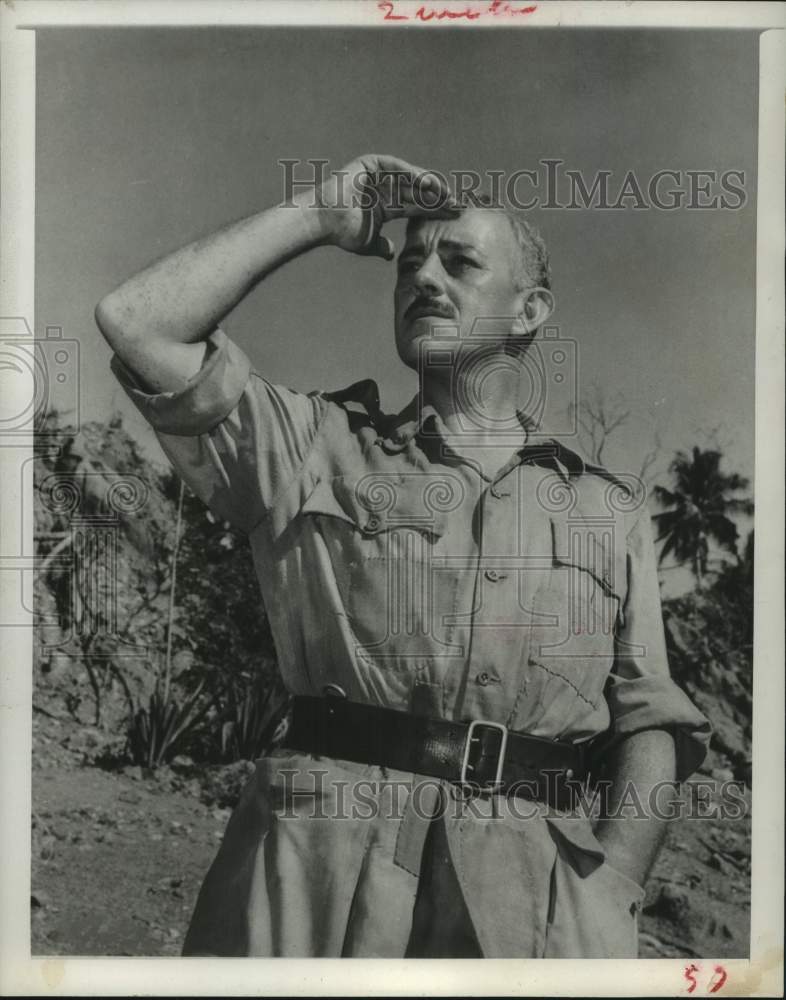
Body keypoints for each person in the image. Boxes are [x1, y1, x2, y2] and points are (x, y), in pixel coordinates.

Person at [96, 153, 711, 958]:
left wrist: (613, 886)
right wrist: (319, 214)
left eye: (459, 262)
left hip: (535, 903)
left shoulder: (607, 506)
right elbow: (137, 320)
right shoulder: (312, 446)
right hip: (313, 880)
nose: (422, 277)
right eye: (410, 263)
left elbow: (648, 716)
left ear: (530, 310)